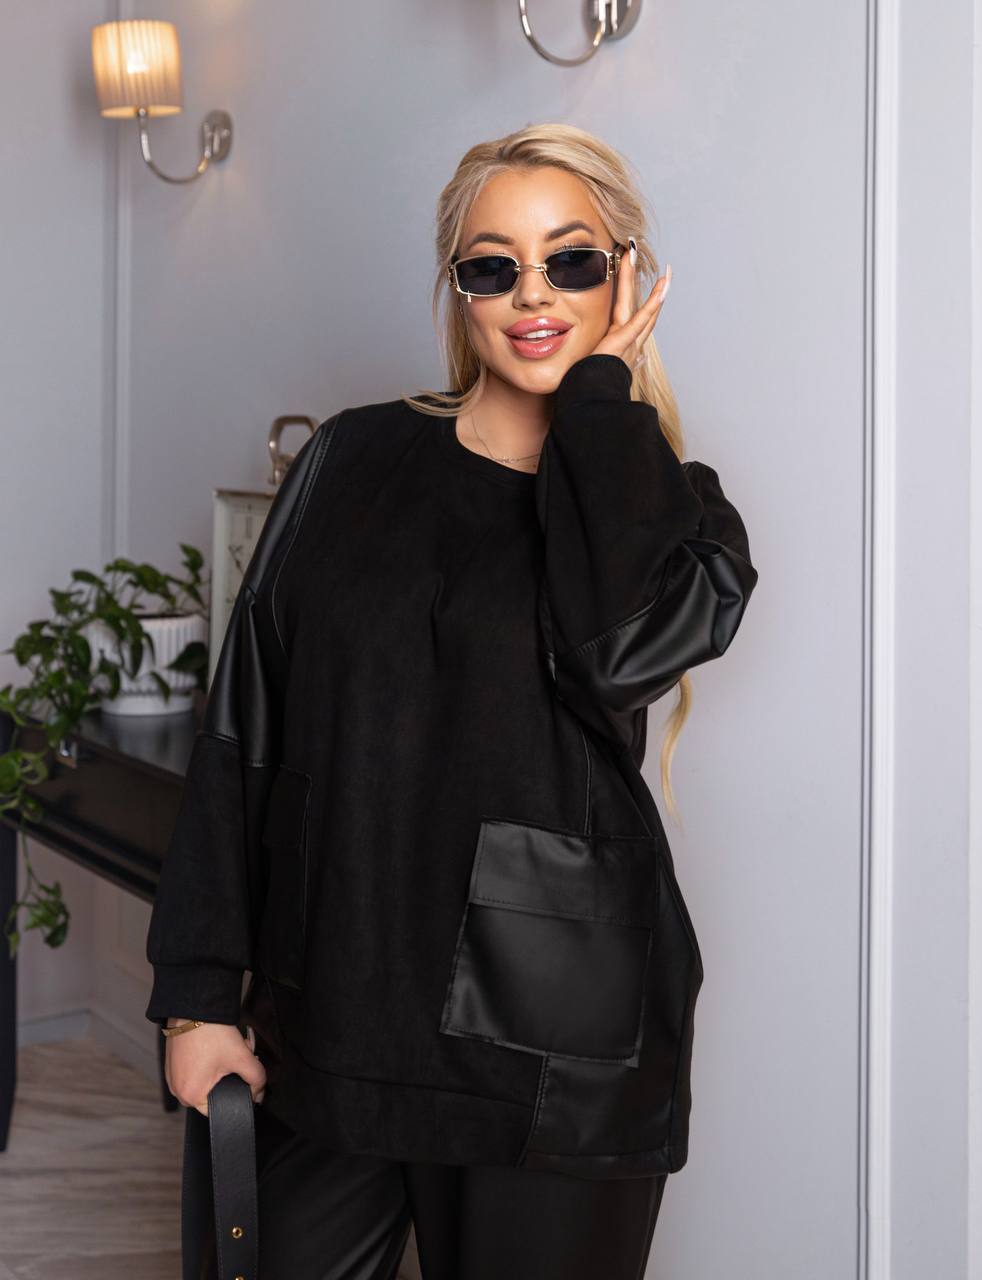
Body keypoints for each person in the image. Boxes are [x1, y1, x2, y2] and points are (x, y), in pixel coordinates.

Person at [145, 122, 759, 1279]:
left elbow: (619, 650)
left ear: (624, 274)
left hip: (554, 1057)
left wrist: (599, 399)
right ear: (458, 287)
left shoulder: (676, 511)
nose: (534, 293)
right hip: (330, 1010)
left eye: (571, 260)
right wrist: (195, 995)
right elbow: (243, 729)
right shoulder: (349, 459)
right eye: (493, 265)